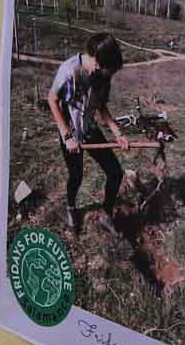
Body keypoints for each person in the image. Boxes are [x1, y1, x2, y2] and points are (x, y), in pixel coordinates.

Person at [46, 35, 126, 234]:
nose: (111, 75)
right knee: (76, 176)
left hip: (89, 129)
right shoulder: (69, 71)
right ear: (98, 62)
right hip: (70, 131)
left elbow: (102, 107)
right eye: (111, 70)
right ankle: (71, 208)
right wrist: (67, 136)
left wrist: (117, 133)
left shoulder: (103, 77)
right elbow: (51, 100)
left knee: (115, 172)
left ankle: (106, 215)